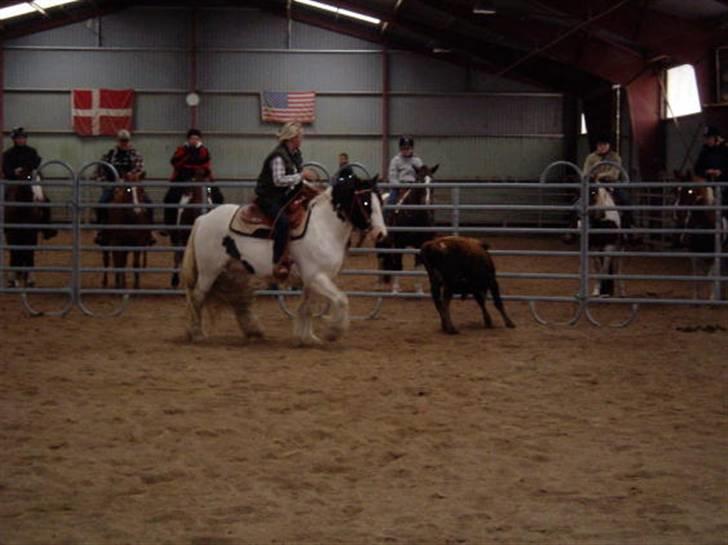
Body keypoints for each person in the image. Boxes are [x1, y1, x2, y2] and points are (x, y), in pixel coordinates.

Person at [255, 121, 315, 280]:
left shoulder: (294, 154)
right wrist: (302, 176)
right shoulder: (278, 156)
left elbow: (294, 175)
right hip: (269, 197)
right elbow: (278, 180)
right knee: (282, 223)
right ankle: (277, 261)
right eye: (300, 136)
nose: (301, 139)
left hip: (282, 196)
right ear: (293, 138)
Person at [95, 129, 153, 245]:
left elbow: (139, 170)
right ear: (118, 141)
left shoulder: (135, 155)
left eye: (125, 141)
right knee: (102, 203)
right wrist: (106, 182)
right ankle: (102, 230)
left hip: (131, 185)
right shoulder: (109, 155)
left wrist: (130, 178)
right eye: (122, 141)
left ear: (129, 141)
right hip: (114, 186)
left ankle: (148, 231)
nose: (124, 143)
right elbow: (99, 171)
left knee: (149, 203)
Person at [163, 129, 223, 230]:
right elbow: (175, 163)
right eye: (192, 138)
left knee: (216, 195)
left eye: (196, 138)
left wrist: (199, 170)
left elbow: (206, 165)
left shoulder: (204, 150)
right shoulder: (181, 150)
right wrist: (187, 162)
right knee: (171, 198)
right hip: (183, 179)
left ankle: (218, 225)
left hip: (202, 179)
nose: (194, 140)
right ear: (188, 139)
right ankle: (170, 227)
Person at [387, 136, 423, 206]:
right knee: (391, 199)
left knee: (425, 198)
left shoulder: (417, 161)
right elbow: (392, 176)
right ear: (400, 149)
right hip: (399, 186)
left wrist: (416, 185)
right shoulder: (395, 160)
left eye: (408, 148)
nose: (406, 150)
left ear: (412, 148)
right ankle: (387, 214)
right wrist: (399, 186)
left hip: (414, 186)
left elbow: (421, 175)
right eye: (403, 148)